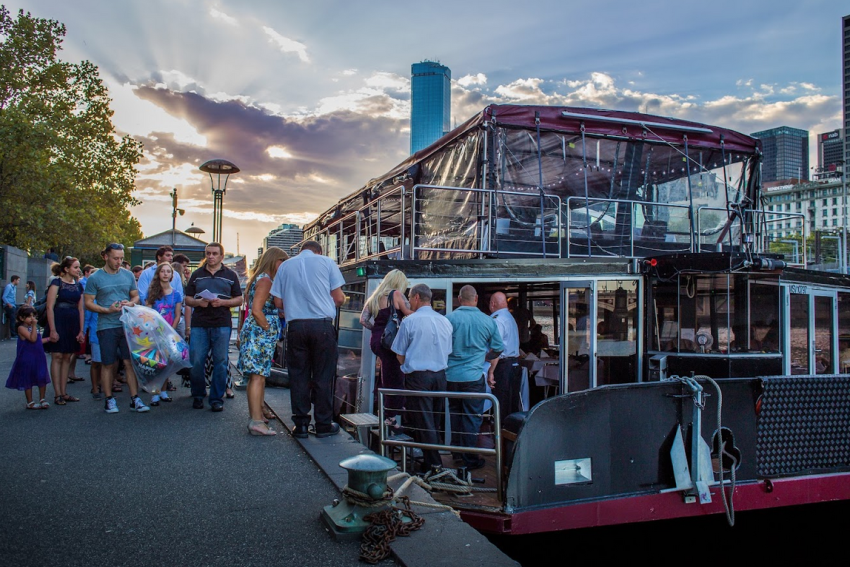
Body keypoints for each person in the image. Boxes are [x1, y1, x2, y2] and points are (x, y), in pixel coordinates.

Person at [270, 240, 345, 438]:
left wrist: (296, 305)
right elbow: (338, 298)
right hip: (322, 326)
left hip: (296, 326)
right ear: (319, 251)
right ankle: (323, 424)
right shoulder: (327, 262)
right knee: (323, 376)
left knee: (299, 376)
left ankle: (301, 425)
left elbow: (278, 301)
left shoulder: (285, 266)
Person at [391, 284, 453, 471]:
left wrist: (406, 367)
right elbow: (448, 351)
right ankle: (430, 461)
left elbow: (399, 353)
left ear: (417, 297)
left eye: (409, 297)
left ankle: (434, 464)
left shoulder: (410, 321)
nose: (408, 301)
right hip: (440, 376)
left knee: (424, 420)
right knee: (433, 419)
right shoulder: (445, 321)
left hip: (419, 376)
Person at [84, 243, 149, 414]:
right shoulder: (95, 278)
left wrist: (131, 303)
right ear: (105, 256)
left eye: (121, 258)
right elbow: (88, 303)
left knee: (129, 363)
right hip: (106, 326)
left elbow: (136, 297)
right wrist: (107, 310)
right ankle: (109, 399)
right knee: (108, 363)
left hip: (127, 325)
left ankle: (135, 399)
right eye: (115, 258)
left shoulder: (128, 275)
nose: (119, 261)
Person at [446, 285, 503, 469]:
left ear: (460, 300)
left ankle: (456, 454)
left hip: (451, 377)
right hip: (473, 376)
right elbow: (499, 348)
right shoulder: (488, 321)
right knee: (471, 418)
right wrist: (485, 357)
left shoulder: (449, 319)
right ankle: (469, 460)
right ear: (476, 299)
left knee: (455, 416)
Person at [184, 243, 242, 412]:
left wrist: (223, 302)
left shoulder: (231, 275)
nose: (211, 256)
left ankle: (216, 398)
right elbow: (187, 299)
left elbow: (239, 299)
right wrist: (198, 302)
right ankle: (198, 394)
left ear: (221, 256)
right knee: (196, 361)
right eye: (208, 253)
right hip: (200, 323)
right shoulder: (197, 275)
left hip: (222, 323)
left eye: (214, 254)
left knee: (221, 362)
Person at [238, 247, 289, 436]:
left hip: (254, 332)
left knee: (256, 376)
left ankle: (257, 415)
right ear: (274, 260)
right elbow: (257, 310)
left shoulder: (258, 279)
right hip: (260, 334)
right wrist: (268, 329)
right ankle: (256, 422)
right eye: (282, 261)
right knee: (258, 377)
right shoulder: (266, 281)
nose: (284, 265)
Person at [359, 269, 413, 433]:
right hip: (391, 342)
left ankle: (386, 409)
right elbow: (408, 314)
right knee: (395, 376)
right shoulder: (396, 294)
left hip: (377, 341)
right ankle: (391, 416)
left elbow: (363, 319)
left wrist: (377, 329)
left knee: (386, 373)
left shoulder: (374, 296)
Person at [43, 258, 85, 405]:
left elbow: (81, 309)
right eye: (75, 267)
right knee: (57, 356)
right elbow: (49, 307)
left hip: (72, 322)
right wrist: (52, 330)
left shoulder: (79, 286)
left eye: (79, 267)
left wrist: (81, 330)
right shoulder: (56, 283)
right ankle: (57, 394)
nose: (78, 270)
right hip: (58, 320)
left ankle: (64, 392)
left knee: (67, 356)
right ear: (66, 269)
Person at [145, 263, 182, 406]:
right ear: (158, 274)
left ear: (172, 275)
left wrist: (171, 331)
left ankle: (164, 390)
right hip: (154, 332)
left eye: (168, 271)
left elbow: (177, 315)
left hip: (169, 332)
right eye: (163, 271)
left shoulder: (176, 294)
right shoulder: (152, 293)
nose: (166, 274)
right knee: (155, 363)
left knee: (167, 363)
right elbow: (148, 313)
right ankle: (155, 393)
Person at [5, 306, 52, 409]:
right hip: (27, 357)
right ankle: (30, 402)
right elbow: (33, 339)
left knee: (41, 376)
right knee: (28, 378)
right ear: (21, 318)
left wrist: (48, 339)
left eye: (34, 316)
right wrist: (35, 326)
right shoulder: (21, 328)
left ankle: (42, 398)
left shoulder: (32, 327)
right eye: (29, 316)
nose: (32, 318)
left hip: (38, 356)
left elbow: (38, 342)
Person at [488, 292, 522, 422]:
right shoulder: (510, 317)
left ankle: (500, 435)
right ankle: (511, 436)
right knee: (512, 404)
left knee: (501, 404)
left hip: (503, 366)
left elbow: (497, 348)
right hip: (515, 364)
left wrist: (491, 371)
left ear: (492, 304)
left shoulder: (497, 320)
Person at [3, 274, 20, 339]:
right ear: (14, 280)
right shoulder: (9, 287)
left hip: (13, 305)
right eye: (18, 280)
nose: (18, 282)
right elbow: (4, 297)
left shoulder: (14, 287)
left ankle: (18, 332)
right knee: (13, 318)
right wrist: (8, 304)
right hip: (9, 306)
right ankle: (13, 334)